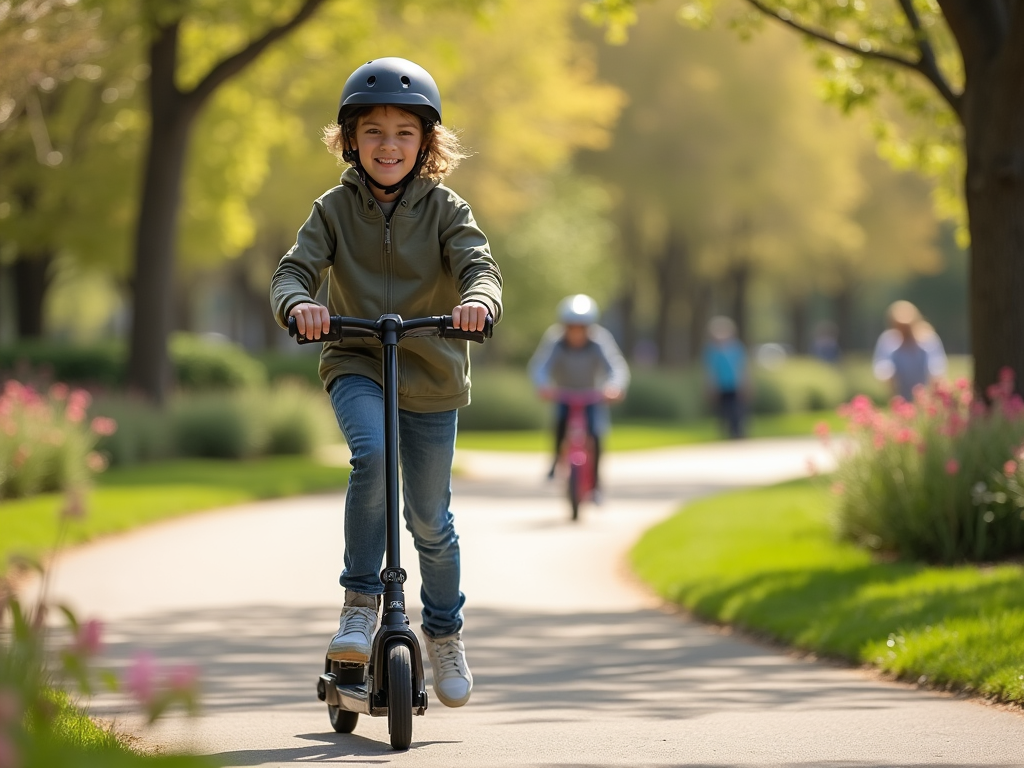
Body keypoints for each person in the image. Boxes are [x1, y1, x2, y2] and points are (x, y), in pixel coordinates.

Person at [269, 58, 501, 709]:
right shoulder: (334, 210)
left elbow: (480, 267)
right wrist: (299, 306)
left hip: (430, 368)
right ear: (350, 140)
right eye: (373, 131)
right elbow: (292, 272)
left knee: (430, 520)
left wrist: (479, 303)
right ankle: (358, 605)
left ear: (426, 142)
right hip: (357, 360)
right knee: (371, 456)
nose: (389, 145)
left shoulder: (448, 209)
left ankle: (445, 633)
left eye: (404, 132)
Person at [528, 295, 630, 499]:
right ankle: (556, 461)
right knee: (560, 424)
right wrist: (543, 386)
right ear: (564, 326)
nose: (576, 333)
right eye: (571, 327)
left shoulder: (600, 340)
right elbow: (540, 366)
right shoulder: (555, 340)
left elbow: (616, 366)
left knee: (596, 433)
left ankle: (596, 484)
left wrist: (615, 387)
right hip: (564, 394)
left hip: (592, 396)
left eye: (581, 328)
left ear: (589, 327)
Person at [872, 300, 946, 401]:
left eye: (906, 327)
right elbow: (882, 367)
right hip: (899, 396)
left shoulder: (928, 340)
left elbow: (936, 368)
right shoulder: (888, 341)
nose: (904, 331)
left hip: (925, 396)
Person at [703, 316, 749, 439]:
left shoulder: (737, 348)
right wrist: (710, 386)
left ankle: (738, 432)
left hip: (735, 384)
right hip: (720, 386)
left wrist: (745, 384)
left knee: (737, 410)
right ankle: (725, 432)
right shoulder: (712, 350)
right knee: (722, 411)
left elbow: (742, 368)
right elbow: (710, 370)